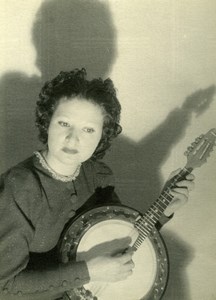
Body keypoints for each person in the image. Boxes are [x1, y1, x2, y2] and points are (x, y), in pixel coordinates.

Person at [0, 68, 195, 300]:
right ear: (47, 122)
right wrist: (90, 271)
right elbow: (5, 287)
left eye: (89, 129)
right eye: (64, 123)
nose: (73, 138)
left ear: (102, 136)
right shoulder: (21, 187)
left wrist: (163, 213)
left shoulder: (98, 176)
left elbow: (119, 239)